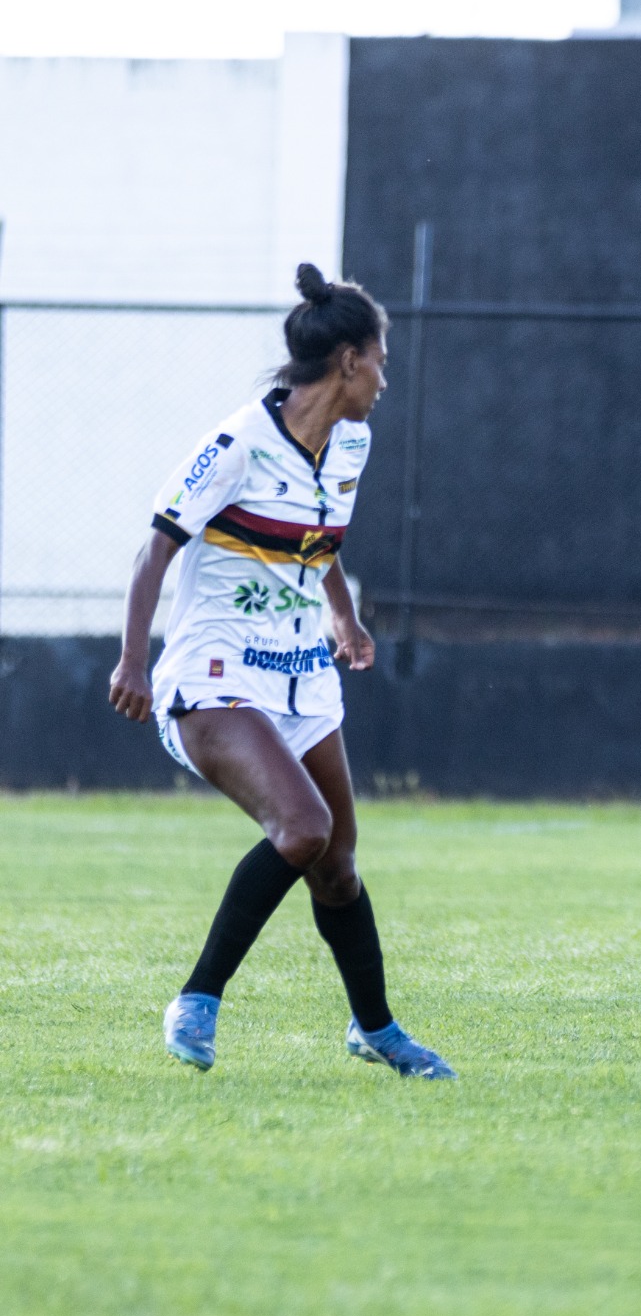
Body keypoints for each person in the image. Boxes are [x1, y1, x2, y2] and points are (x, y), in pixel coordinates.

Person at [109, 264, 455, 1079]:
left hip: (302, 670)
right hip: (213, 671)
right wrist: (133, 658)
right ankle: (198, 998)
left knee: (337, 867)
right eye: (379, 360)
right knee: (304, 830)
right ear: (347, 361)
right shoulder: (234, 445)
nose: (382, 379)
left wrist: (342, 612)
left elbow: (316, 543)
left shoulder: (353, 444)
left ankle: (374, 1029)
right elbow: (154, 548)